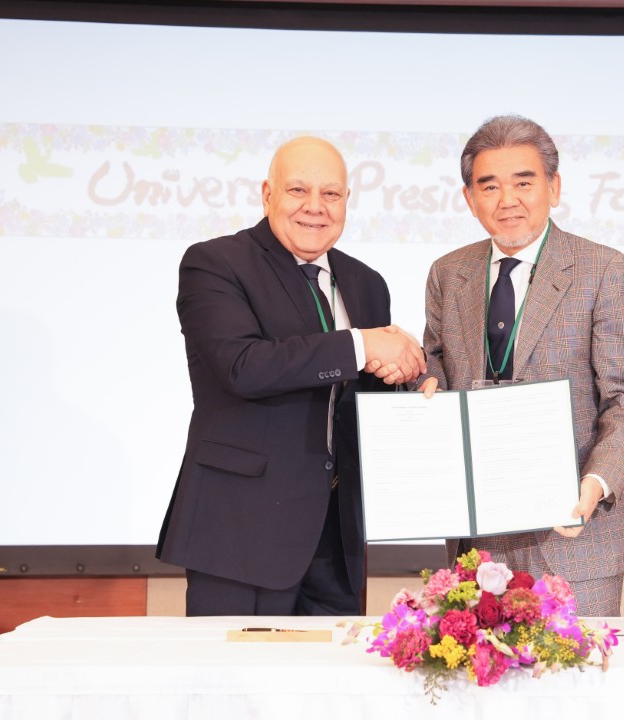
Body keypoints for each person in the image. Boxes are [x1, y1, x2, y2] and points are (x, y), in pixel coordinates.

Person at [157, 137, 425, 616]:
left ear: (346, 201)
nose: (315, 207)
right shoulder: (215, 263)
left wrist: (408, 380)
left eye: (331, 194)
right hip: (242, 534)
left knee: (331, 667)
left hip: (337, 540)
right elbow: (242, 365)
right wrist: (362, 345)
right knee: (233, 666)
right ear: (268, 194)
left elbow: (363, 392)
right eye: (298, 190)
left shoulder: (366, 283)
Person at [419, 115, 624, 616]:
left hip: (574, 536)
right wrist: (422, 384)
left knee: (576, 668)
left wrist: (594, 485)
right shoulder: (447, 273)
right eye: (490, 186)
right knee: (475, 667)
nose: (508, 199)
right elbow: (435, 367)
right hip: (478, 543)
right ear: (469, 198)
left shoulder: (601, 269)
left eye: (523, 183)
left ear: (554, 187)